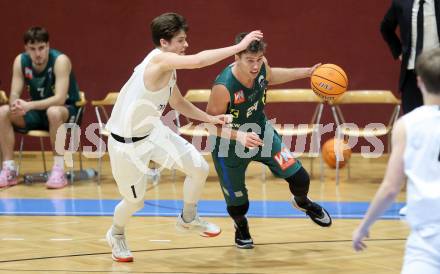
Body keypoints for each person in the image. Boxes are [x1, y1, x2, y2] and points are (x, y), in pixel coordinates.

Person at [104, 13, 263, 262]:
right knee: (134, 202)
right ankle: (116, 233)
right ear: (164, 42)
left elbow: (177, 102)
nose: (186, 45)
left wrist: (210, 119)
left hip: (153, 133)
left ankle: (188, 218)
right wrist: (240, 46)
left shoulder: (170, 68)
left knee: (198, 167)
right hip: (126, 145)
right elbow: (199, 61)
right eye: (180, 40)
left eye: (185, 39)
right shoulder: (158, 61)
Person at [206, 32, 332, 249]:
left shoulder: (262, 65)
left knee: (300, 178)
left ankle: (303, 203)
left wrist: (308, 73)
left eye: (258, 59)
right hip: (229, 144)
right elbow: (209, 124)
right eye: (249, 61)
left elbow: (271, 76)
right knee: (238, 205)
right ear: (236, 57)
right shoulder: (223, 87)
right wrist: (240, 136)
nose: (255, 66)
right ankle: (241, 226)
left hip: (262, 134)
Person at [352, 48, 440, 274]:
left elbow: (391, 188)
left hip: (427, 242)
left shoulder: (407, 125)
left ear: (419, 81)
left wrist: (364, 227)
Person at [0, 26, 80, 189]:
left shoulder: (60, 60)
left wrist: (28, 105)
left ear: (48, 46)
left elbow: (59, 98)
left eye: (41, 48)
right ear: (26, 49)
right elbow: (14, 93)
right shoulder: (20, 61)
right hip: (36, 112)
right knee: (3, 112)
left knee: (53, 111)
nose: (38, 53)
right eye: (33, 49)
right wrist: (16, 105)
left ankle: (58, 169)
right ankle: (9, 169)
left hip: (66, 111)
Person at [381, 0, 440, 114]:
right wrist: (398, 52)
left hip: (437, 71)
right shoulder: (401, 3)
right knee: (412, 120)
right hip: (411, 75)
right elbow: (385, 28)